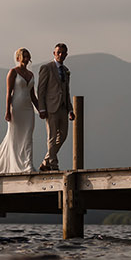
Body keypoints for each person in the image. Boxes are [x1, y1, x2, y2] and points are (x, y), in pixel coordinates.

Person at [0, 48, 40, 175]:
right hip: (16, 108)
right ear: (18, 58)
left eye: (28, 57)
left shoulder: (31, 75)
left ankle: (28, 165)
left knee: (28, 136)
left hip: (28, 110)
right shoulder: (13, 72)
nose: (26, 59)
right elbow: (9, 93)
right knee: (14, 136)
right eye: (24, 57)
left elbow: (33, 95)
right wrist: (7, 111)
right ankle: (15, 165)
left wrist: (40, 110)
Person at [37, 42, 74, 172]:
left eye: (63, 53)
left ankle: (46, 161)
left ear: (66, 55)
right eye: (58, 52)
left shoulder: (65, 70)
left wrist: (70, 109)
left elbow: (66, 91)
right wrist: (41, 108)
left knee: (63, 136)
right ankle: (53, 164)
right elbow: (41, 90)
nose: (60, 55)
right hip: (51, 107)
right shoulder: (46, 68)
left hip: (63, 108)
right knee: (52, 136)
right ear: (54, 53)